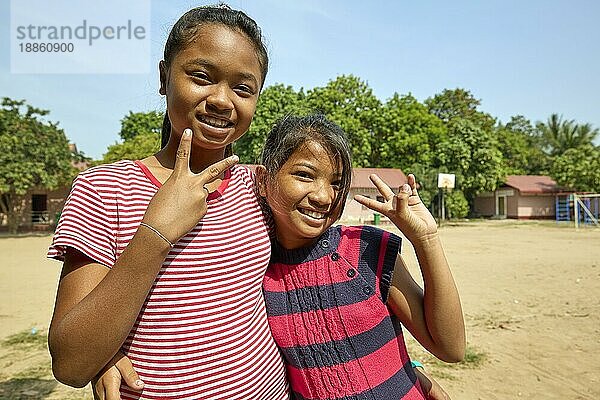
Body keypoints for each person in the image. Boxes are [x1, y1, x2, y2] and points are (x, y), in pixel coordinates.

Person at [47, 5, 290, 399]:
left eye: (243, 88)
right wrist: (155, 234)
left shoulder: (261, 187)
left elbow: (322, 277)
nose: (222, 100)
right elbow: (72, 363)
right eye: (201, 77)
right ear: (164, 78)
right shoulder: (105, 188)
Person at [254, 114, 466, 399]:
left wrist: (426, 239)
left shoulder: (364, 250)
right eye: (305, 175)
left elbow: (450, 348)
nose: (324, 196)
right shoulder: (255, 270)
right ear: (265, 181)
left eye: (337, 183)